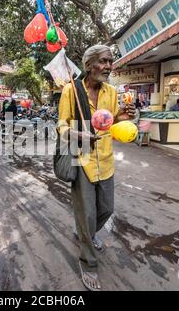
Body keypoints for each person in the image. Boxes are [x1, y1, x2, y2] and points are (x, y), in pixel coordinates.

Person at [57, 45, 135, 291]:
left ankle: (85, 234)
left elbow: (109, 123)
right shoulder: (71, 90)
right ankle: (88, 262)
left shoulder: (111, 91)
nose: (109, 66)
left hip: (106, 158)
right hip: (82, 160)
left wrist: (122, 116)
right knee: (86, 214)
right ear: (89, 64)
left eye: (111, 61)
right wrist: (77, 134)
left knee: (106, 209)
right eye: (104, 61)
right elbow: (61, 126)